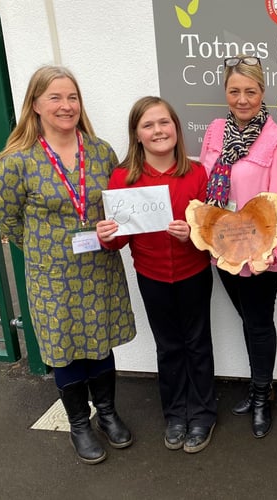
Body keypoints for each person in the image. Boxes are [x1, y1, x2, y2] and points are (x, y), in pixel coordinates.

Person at [0, 65, 136, 464]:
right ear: (35, 104)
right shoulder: (19, 161)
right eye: (55, 97)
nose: (66, 105)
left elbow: (118, 203)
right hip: (52, 276)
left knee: (99, 341)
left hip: (99, 269)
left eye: (71, 97)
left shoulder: (101, 150)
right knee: (66, 348)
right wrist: (44, 248)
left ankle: (107, 413)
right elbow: (5, 218)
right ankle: (79, 424)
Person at [96, 96, 216, 453]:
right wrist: (108, 236)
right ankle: (176, 415)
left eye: (164, 123)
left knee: (198, 343)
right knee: (169, 346)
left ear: (176, 129)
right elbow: (118, 242)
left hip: (194, 273)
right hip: (152, 276)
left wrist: (193, 235)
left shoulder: (196, 174)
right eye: (148, 125)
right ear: (136, 134)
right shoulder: (123, 177)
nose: (158, 130)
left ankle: (203, 414)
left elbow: (210, 233)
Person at [199, 54, 277, 438]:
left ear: (263, 92)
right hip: (222, 251)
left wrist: (272, 257)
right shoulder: (214, 131)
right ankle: (262, 385)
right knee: (247, 318)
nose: (242, 99)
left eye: (251, 91)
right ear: (225, 92)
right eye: (234, 91)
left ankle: (261, 396)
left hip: (259, 257)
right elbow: (205, 185)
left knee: (258, 323)